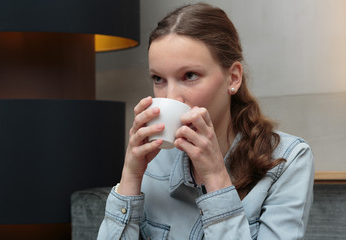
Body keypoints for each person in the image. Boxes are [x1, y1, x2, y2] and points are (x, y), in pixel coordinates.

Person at [97, 3, 314, 239]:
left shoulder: (289, 160)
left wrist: (215, 178)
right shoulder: (154, 161)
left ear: (233, 77)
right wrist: (130, 176)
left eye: (189, 76)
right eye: (158, 78)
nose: (170, 97)